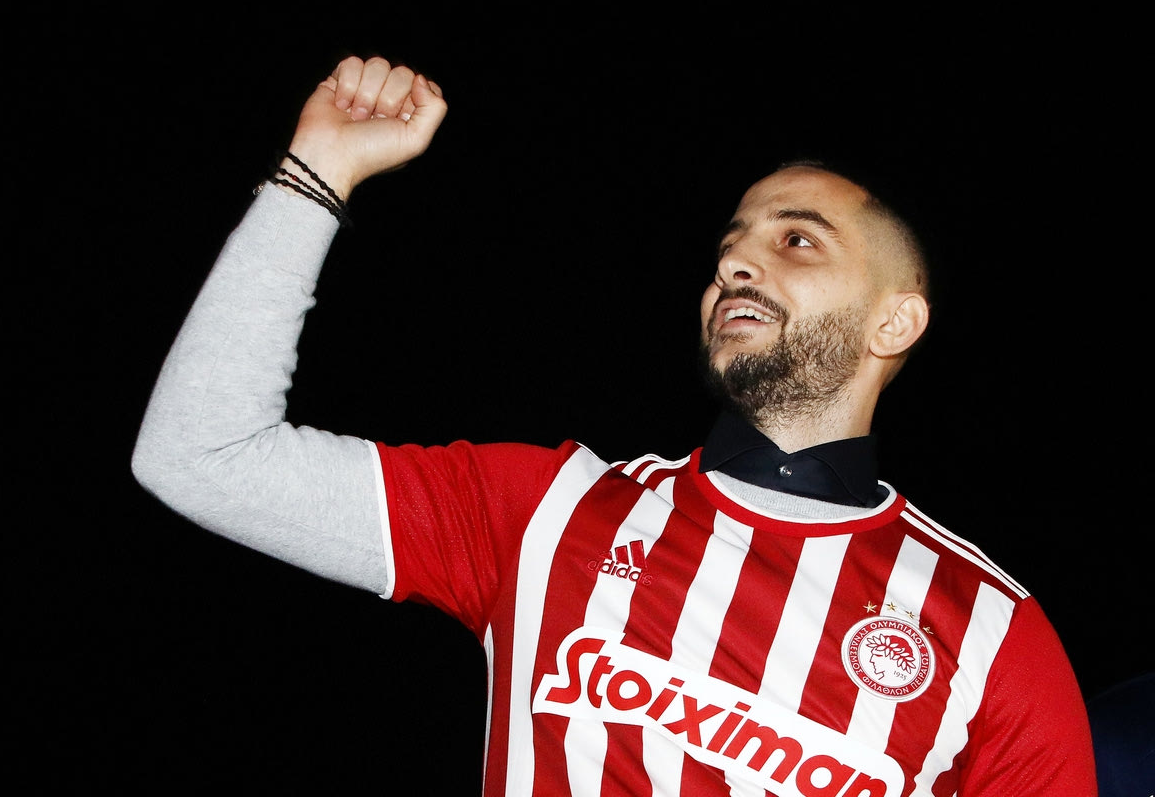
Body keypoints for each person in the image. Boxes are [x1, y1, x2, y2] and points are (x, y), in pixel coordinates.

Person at [131, 54, 1097, 796]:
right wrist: (318, 172)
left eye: (797, 240)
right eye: (731, 248)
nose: (737, 264)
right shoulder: (545, 512)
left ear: (896, 322)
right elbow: (199, 456)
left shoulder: (992, 633)